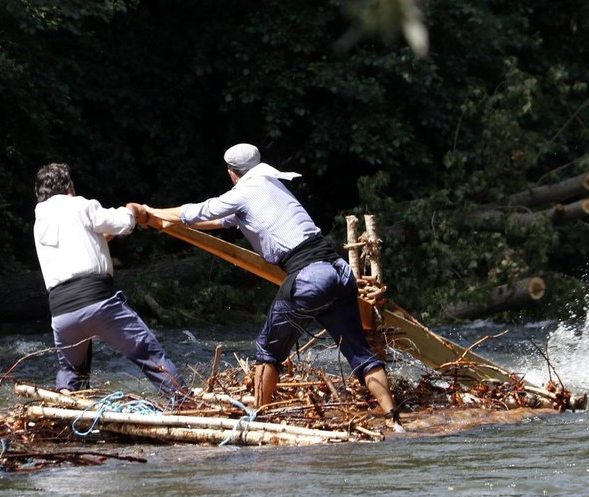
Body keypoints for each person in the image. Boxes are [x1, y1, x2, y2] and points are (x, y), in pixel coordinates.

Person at [142, 144, 402, 430]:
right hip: (338, 271)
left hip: (309, 276)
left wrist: (150, 210)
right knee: (359, 353)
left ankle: (259, 420)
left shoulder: (243, 192)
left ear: (231, 173)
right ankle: (392, 415)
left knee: (267, 351)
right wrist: (163, 222)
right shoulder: (271, 183)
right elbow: (220, 220)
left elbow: (197, 212)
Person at [31, 162, 186, 397]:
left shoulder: (40, 221)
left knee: (72, 371)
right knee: (148, 353)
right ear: (69, 187)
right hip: (99, 304)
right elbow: (123, 220)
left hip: (62, 315)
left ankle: (62, 413)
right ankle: (184, 402)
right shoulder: (81, 205)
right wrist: (133, 210)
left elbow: (83, 243)